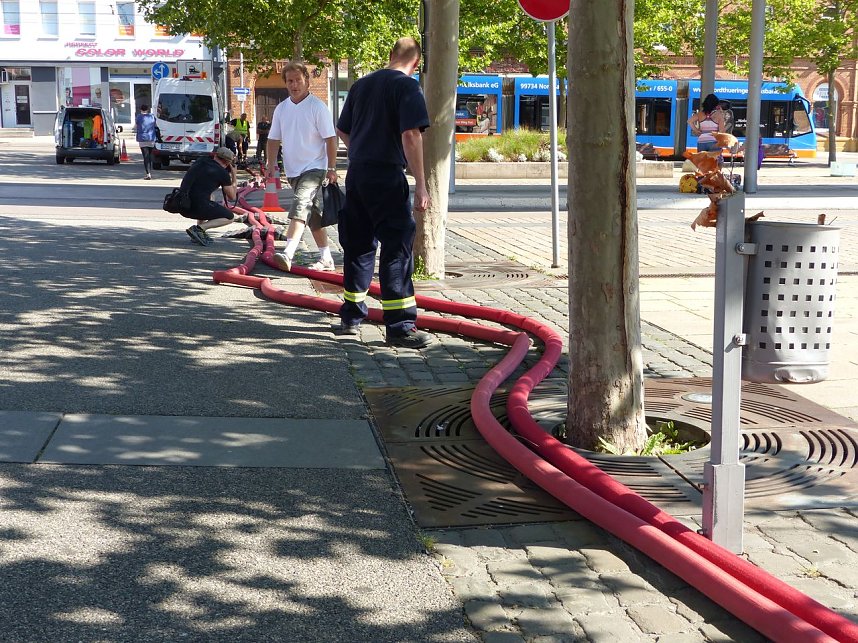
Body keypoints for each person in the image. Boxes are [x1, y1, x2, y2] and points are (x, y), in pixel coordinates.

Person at [334, 37, 433, 349]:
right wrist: (421, 183)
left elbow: (343, 129)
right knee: (396, 247)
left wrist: (361, 153)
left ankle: (351, 317)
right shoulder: (407, 87)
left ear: (391, 55)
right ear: (416, 64)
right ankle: (401, 326)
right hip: (387, 175)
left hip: (358, 173)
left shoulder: (361, 85)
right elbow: (411, 134)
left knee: (358, 244)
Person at [266, 61, 339, 273]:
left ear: (306, 80)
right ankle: (326, 258)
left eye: (298, 80)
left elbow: (330, 139)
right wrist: (271, 164)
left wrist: (332, 167)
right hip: (293, 170)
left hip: (315, 167)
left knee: (300, 203)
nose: (294, 84)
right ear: (285, 83)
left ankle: (288, 252)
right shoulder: (281, 108)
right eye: (290, 81)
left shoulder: (317, 107)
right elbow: (273, 139)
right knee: (314, 215)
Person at [178, 146, 244, 246]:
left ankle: (197, 234)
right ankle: (199, 229)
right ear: (227, 163)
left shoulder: (200, 161)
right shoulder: (222, 173)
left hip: (181, 205)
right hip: (196, 207)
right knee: (230, 217)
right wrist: (234, 176)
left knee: (209, 195)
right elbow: (232, 196)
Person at [135, 104, 157, 180]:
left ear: (141, 109)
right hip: (151, 138)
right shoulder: (152, 116)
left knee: (145, 156)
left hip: (142, 138)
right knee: (150, 155)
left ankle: (148, 173)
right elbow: (155, 125)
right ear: (148, 109)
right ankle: (150, 171)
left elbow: (136, 126)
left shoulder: (139, 117)